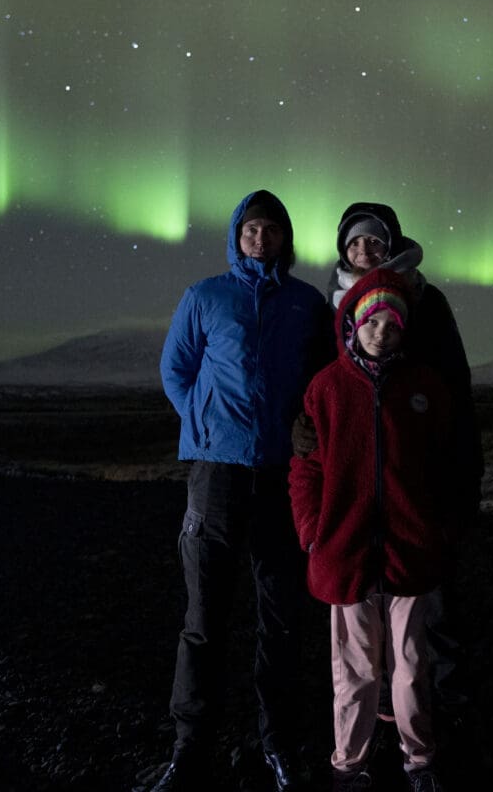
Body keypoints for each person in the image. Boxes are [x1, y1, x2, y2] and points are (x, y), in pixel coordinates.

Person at [150, 190, 334, 792]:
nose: (261, 238)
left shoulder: (306, 304)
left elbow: (323, 379)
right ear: (236, 235)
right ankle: (190, 747)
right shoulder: (205, 296)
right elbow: (176, 370)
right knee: (204, 618)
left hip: (281, 475)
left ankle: (278, 744)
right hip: (218, 475)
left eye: (271, 229)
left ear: (285, 238)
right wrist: (204, 425)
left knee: (280, 619)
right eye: (251, 229)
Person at [296, 203, 483, 736]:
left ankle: (440, 704)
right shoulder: (332, 302)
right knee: (363, 597)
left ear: (392, 244)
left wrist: (462, 475)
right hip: (355, 476)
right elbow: (320, 380)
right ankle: (379, 704)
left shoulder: (424, 299)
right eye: (353, 243)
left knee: (429, 598)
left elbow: (453, 385)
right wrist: (305, 428)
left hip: (415, 471)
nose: (363, 251)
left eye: (374, 241)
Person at [290, 268, 461, 792]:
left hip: (410, 550)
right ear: (353, 324)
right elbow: (306, 469)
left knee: (411, 666)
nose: (381, 332)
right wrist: (312, 533)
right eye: (371, 322)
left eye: (391, 324)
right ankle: (349, 764)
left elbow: (445, 466)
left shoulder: (425, 387)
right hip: (346, 550)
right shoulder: (327, 388)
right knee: (354, 669)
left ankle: (419, 760)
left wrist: (439, 529)